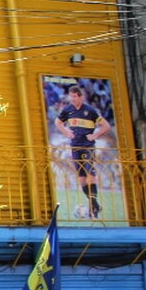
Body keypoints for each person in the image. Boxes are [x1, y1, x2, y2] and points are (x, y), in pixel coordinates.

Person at [54, 84, 111, 218]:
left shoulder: (90, 111)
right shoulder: (68, 110)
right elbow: (58, 122)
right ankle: (95, 205)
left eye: (75, 96)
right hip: (75, 146)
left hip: (88, 146)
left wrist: (95, 135)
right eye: (71, 96)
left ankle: (93, 206)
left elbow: (106, 126)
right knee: (81, 178)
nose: (72, 99)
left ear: (81, 97)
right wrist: (66, 132)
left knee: (90, 173)